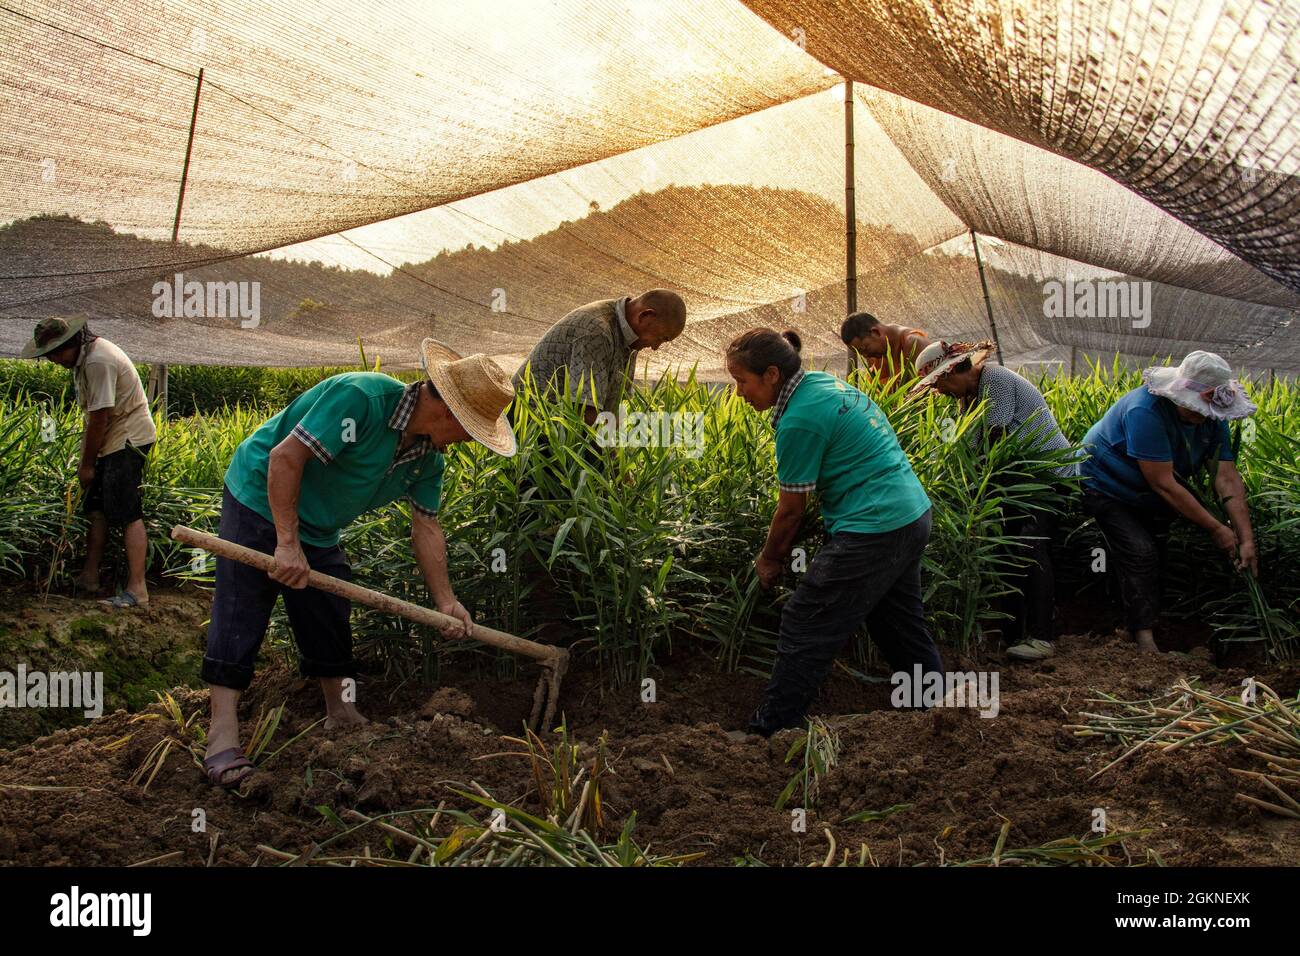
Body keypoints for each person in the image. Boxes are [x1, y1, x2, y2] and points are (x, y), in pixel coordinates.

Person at [200, 340, 516, 787]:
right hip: (260, 496)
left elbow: (426, 527)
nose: (470, 440)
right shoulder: (362, 399)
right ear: (451, 414)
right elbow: (285, 457)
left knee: (328, 611)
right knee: (242, 606)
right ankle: (222, 737)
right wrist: (286, 544)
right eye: (472, 429)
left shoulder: (428, 458)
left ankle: (341, 712)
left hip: (318, 525)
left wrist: (446, 602)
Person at [726, 327, 943, 736]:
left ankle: (771, 729)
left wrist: (770, 559)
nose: (739, 393)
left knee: (806, 620)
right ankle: (934, 714)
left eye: (742, 382)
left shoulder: (800, 420)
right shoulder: (823, 385)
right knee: (898, 623)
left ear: (771, 374)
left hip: (874, 526)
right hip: (910, 513)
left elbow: (791, 511)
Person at [1079, 351, 1259, 654]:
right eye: (1195, 407)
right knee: (1140, 551)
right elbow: (1163, 483)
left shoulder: (1213, 418)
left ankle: (1134, 622)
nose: (1200, 415)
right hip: (1105, 483)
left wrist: (1246, 537)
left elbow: (1225, 477)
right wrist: (1217, 529)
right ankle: (1143, 638)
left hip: (1150, 493)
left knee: (1156, 553)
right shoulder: (1144, 410)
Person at [912, 341, 1078, 661]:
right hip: (1017, 480)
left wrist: (974, 490)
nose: (939, 391)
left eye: (940, 382)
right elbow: (974, 454)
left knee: (1030, 544)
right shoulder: (968, 398)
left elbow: (994, 440)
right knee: (1005, 548)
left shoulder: (995, 379)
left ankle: (1042, 637)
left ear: (957, 369)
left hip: (1047, 477)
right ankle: (1013, 635)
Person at [22, 317, 157, 608]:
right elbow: (93, 420)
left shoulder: (98, 361)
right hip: (111, 441)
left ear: (72, 343)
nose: (53, 360)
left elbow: (100, 418)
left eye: (56, 353)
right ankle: (89, 577)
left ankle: (137, 589)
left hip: (127, 440)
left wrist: (86, 466)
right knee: (96, 509)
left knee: (127, 511)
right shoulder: (84, 361)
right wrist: (90, 459)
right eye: (48, 355)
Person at [512, 289, 687, 424]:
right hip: (528, 430)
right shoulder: (596, 332)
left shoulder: (630, 338)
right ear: (645, 315)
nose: (656, 347)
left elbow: (613, 409)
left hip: (562, 435)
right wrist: (615, 466)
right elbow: (586, 413)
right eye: (661, 338)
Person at [840, 311, 930, 387]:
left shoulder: (913, 343)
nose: (865, 355)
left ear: (876, 332)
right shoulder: (874, 356)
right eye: (861, 353)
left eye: (864, 349)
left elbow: (920, 391)